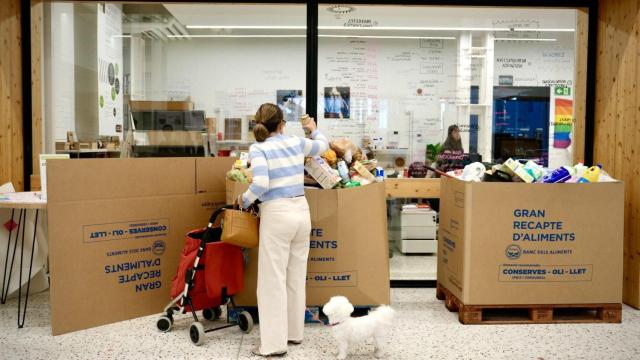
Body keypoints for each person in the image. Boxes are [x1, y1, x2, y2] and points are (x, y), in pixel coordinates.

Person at [239, 103, 329, 357]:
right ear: (281, 124)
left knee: (272, 281)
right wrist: (312, 129)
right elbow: (323, 144)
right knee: (295, 276)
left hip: (277, 215)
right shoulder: (296, 142)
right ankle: (294, 334)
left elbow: (261, 184)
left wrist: (243, 200)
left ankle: (273, 345)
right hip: (302, 212)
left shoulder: (259, 149)